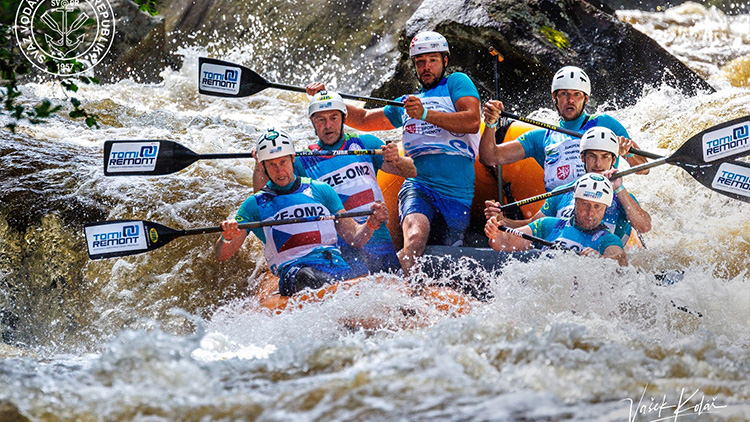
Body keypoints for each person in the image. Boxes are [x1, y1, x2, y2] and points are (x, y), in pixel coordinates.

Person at [306, 31, 481, 275]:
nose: (426, 67)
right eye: (420, 62)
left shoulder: (456, 83)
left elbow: (472, 121)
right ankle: (397, 289)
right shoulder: (407, 103)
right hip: (419, 186)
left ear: (445, 61)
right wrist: (328, 100)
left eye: (432, 60)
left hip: (457, 192)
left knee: (446, 248)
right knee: (415, 239)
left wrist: (425, 114)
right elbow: (365, 120)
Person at [216, 128, 389, 302]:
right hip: (296, 273)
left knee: (374, 283)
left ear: (293, 159)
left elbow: (355, 238)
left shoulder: (321, 190)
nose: (279, 171)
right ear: (264, 167)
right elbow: (222, 255)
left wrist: (371, 224)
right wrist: (227, 238)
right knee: (308, 276)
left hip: (334, 266)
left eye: (283, 162)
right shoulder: (254, 205)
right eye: (272, 165)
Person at [252, 91, 416, 273]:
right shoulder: (301, 161)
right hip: (339, 248)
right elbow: (266, 202)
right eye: (320, 120)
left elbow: (413, 171)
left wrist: (398, 159)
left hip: (378, 238)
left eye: (333, 118)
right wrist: (260, 166)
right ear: (312, 122)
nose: (328, 125)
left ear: (343, 118)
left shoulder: (366, 144)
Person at [480, 65, 649, 193]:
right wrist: (490, 123)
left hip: (602, 209)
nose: (571, 100)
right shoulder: (540, 137)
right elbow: (490, 157)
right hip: (560, 215)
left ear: (586, 99)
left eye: (577, 94)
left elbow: (644, 169)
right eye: (564, 94)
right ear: (555, 97)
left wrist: (628, 152)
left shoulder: (606, 124)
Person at [485, 126, 651, 244]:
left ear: (614, 160)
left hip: (605, 264)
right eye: (592, 156)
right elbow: (533, 225)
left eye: (605, 157)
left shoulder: (622, 196)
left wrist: (619, 189)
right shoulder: (563, 192)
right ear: (582, 158)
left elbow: (644, 226)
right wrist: (501, 222)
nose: (598, 163)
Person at [485, 173, 628, 266]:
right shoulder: (548, 224)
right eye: (585, 204)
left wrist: (601, 261)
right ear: (576, 202)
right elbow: (505, 242)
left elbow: (618, 259)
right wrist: (495, 233)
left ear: (605, 208)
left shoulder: (609, 239)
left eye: (597, 207)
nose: (590, 212)